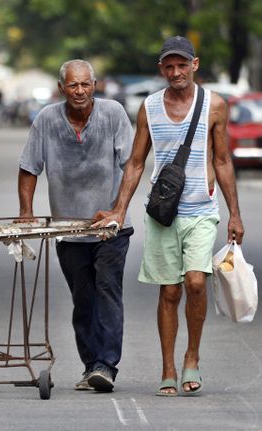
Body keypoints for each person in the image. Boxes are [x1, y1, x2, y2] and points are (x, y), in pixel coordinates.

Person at [93, 36, 244, 397]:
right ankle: (168, 367)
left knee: (195, 282)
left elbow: (222, 161)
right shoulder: (149, 108)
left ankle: (192, 356)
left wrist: (235, 214)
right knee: (170, 291)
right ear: (161, 69)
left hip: (202, 211)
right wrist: (119, 208)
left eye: (182, 65)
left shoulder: (215, 106)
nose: (175, 72)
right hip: (163, 213)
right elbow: (135, 162)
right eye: (169, 66)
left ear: (195, 65)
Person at [18, 59, 134, 393]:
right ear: (61, 89)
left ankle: (106, 365)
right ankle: (91, 366)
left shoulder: (112, 114)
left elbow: (132, 166)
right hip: (68, 231)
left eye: (85, 84)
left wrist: (118, 209)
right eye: (73, 85)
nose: (79, 91)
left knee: (108, 291)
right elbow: (29, 168)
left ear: (94, 86)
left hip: (110, 228)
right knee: (83, 300)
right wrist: (26, 212)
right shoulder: (47, 120)